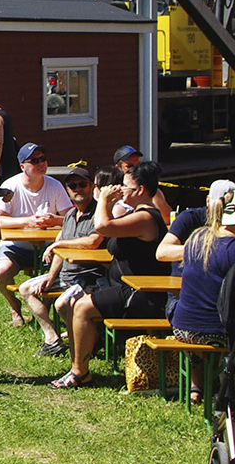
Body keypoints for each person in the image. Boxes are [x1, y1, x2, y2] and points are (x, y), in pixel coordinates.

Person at [49, 160, 169, 389]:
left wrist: (102, 200)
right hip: (123, 288)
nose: (119, 189)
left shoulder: (145, 218)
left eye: (125, 186)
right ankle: (78, 367)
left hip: (141, 293)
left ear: (140, 190)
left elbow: (103, 227)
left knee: (83, 307)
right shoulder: (135, 214)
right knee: (74, 303)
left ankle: (79, 372)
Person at [166, 190, 235, 400]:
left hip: (182, 329)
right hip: (221, 334)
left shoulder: (195, 239)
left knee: (174, 304)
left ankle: (196, 385)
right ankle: (228, 384)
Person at [16, 164, 103, 355]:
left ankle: (90, 338)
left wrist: (57, 245)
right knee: (26, 289)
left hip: (89, 277)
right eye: (73, 186)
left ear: (91, 187)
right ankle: (52, 339)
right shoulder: (70, 214)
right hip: (66, 274)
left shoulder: (99, 213)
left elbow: (93, 241)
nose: (78, 189)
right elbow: (61, 247)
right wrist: (50, 276)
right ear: (68, 191)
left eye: (82, 184)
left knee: (61, 303)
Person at [0, 142, 73, 328]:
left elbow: (72, 218)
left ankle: (42, 311)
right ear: (22, 166)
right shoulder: (10, 186)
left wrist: (55, 220)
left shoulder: (55, 186)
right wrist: (28, 221)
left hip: (48, 247)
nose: (41, 163)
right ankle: (15, 308)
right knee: (1, 273)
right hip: (16, 246)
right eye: (34, 161)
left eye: (43, 159)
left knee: (62, 273)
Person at [112, 143, 174, 222]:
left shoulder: (149, 190)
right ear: (118, 167)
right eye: (129, 166)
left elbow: (168, 218)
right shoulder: (111, 190)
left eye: (138, 165)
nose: (135, 169)